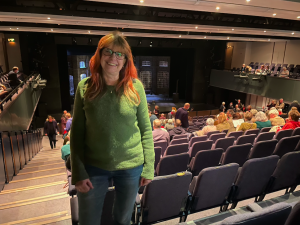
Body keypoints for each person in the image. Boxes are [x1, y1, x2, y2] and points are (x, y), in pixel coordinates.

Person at [70, 31, 154, 225]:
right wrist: (78, 172)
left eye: (119, 54)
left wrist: (149, 167)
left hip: (131, 166)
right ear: (99, 55)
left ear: (125, 60)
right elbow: (77, 134)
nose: (113, 58)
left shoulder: (136, 87)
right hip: (93, 167)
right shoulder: (85, 87)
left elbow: (145, 129)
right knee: (88, 220)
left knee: (123, 220)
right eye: (108, 52)